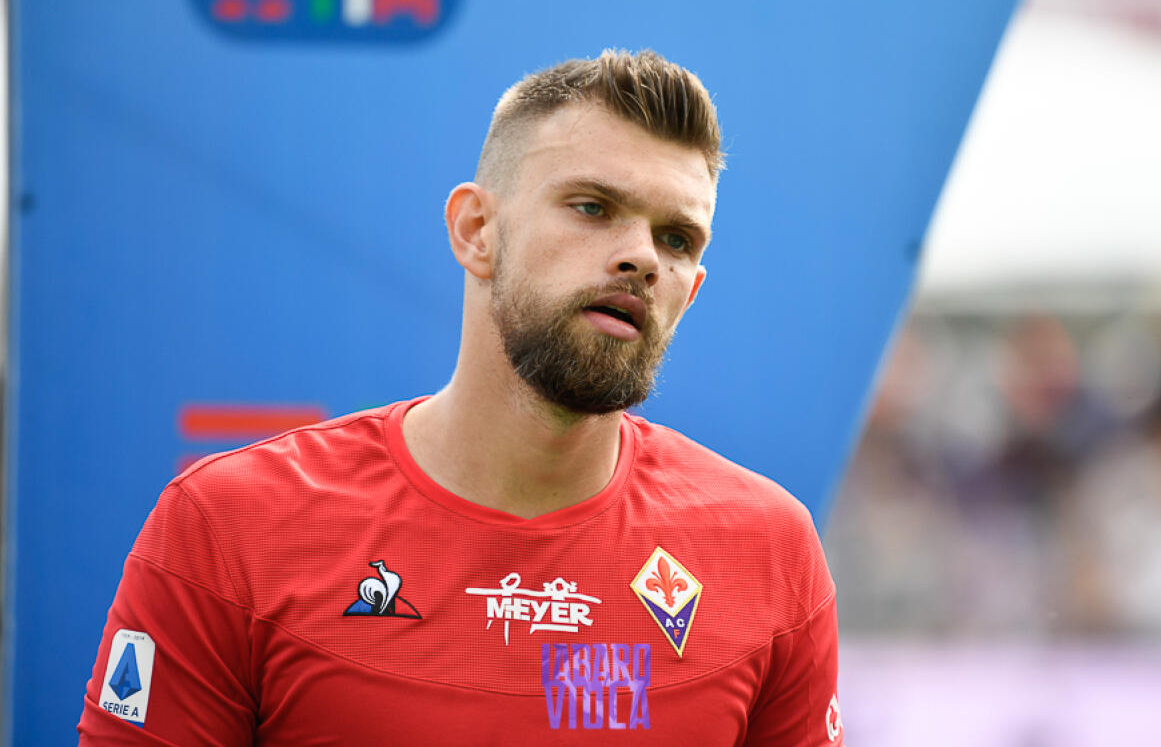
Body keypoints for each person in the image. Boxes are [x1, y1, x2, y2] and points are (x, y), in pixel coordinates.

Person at [78, 50, 843, 745]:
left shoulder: (770, 554)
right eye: (592, 207)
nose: (642, 256)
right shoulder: (230, 528)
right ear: (476, 229)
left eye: (678, 239)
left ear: (692, 291)